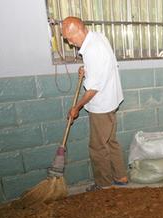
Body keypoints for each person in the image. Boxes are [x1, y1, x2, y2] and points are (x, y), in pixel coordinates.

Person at [61, 16, 128, 191]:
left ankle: (103, 184)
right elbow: (103, 66)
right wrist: (87, 69)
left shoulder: (91, 49)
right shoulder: (98, 37)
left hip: (101, 104)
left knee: (98, 147)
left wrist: (77, 107)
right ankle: (120, 176)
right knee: (110, 141)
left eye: (69, 38)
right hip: (111, 99)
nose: (69, 42)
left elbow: (93, 89)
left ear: (80, 30)